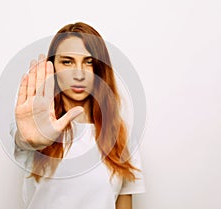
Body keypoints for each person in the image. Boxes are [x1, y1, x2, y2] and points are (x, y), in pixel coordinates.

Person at [9, 22, 145, 209]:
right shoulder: (35, 122)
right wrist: (27, 140)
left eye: (89, 62)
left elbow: (124, 201)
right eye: (67, 61)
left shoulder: (120, 132)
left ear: (100, 68)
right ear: (53, 67)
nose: (79, 74)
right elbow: (22, 139)